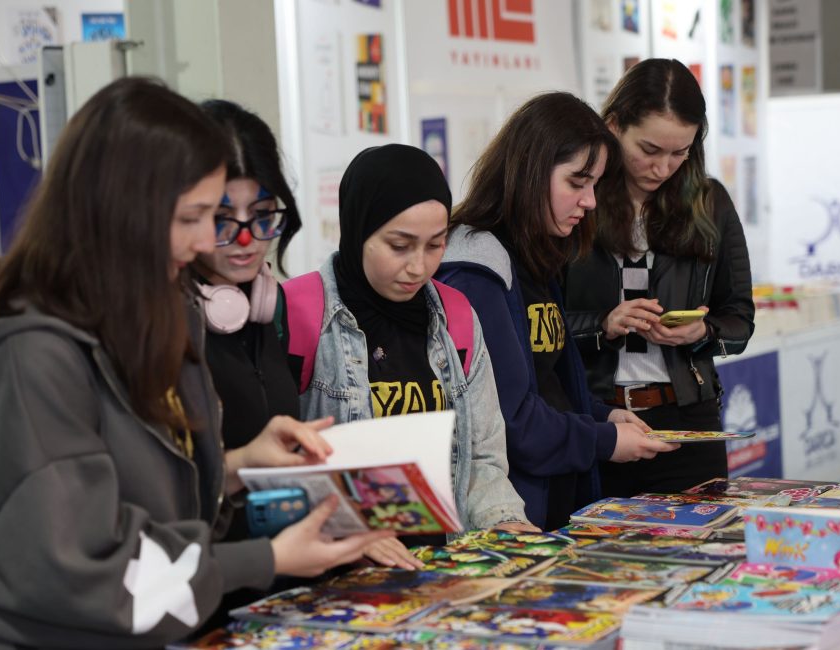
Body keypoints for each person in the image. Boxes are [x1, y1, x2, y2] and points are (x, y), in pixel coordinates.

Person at [0, 78, 389, 650]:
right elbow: (86, 569)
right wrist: (266, 559)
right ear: (122, 210)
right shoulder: (33, 357)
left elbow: (140, 505)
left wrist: (234, 468)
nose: (209, 241)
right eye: (195, 217)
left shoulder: (150, 317)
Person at [438, 92, 677, 531]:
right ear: (529, 170)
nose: (589, 202)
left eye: (594, 185)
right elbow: (510, 420)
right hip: (512, 516)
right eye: (576, 182)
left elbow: (550, 383)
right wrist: (603, 439)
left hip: (554, 500)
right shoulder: (477, 269)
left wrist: (600, 414)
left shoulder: (536, 256)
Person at [290, 144, 536, 567]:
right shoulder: (297, 313)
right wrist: (350, 529)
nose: (418, 267)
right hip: (337, 570)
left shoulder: (455, 315)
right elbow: (276, 469)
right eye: (400, 245)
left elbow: (481, 457)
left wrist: (505, 522)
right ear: (357, 228)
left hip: (439, 566)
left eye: (435, 245)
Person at [564, 58, 754, 498]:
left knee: (696, 556)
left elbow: (740, 319)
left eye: (680, 152)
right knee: (599, 560)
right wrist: (602, 325)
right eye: (649, 150)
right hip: (596, 420)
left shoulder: (710, 203)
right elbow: (539, 322)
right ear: (613, 126)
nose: (663, 167)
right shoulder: (575, 203)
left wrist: (701, 331)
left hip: (688, 424)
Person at [191, 100, 304, 542]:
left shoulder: (267, 310)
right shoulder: (163, 326)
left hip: (284, 571)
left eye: (261, 217)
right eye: (221, 220)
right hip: (209, 583)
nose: (245, 239)